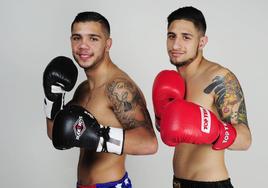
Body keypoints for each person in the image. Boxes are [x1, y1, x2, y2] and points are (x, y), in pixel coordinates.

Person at [43, 11, 158, 188]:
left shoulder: (119, 88)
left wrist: (99, 137)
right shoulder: (83, 89)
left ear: (107, 44)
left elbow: (149, 143)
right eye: (77, 38)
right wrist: (52, 100)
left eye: (93, 39)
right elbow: (57, 135)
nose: (83, 45)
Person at [152, 6, 252, 188]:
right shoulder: (172, 81)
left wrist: (217, 132)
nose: (175, 45)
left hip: (210, 184)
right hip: (178, 182)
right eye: (171, 36)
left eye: (186, 37)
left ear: (202, 42)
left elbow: (245, 140)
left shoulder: (219, 78)